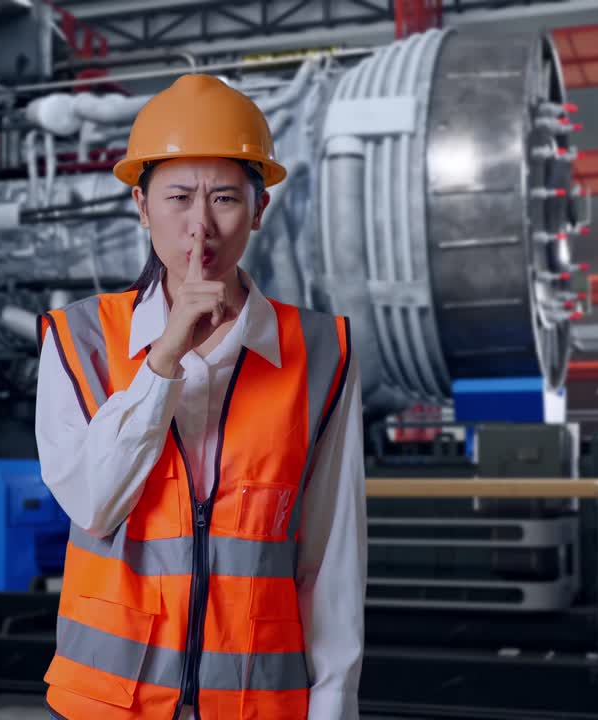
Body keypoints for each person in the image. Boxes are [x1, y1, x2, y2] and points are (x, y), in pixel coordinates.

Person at [35, 73, 366, 720]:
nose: (200, 227)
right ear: (140, 203)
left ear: (261, 208)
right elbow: (93, 503)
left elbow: (332, 560)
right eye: (179, 196)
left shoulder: (321, 353)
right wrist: (163, 360)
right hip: (106, 705)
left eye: (224, 198)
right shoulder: (79, 341)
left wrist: (333, 709)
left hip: (254, 703)